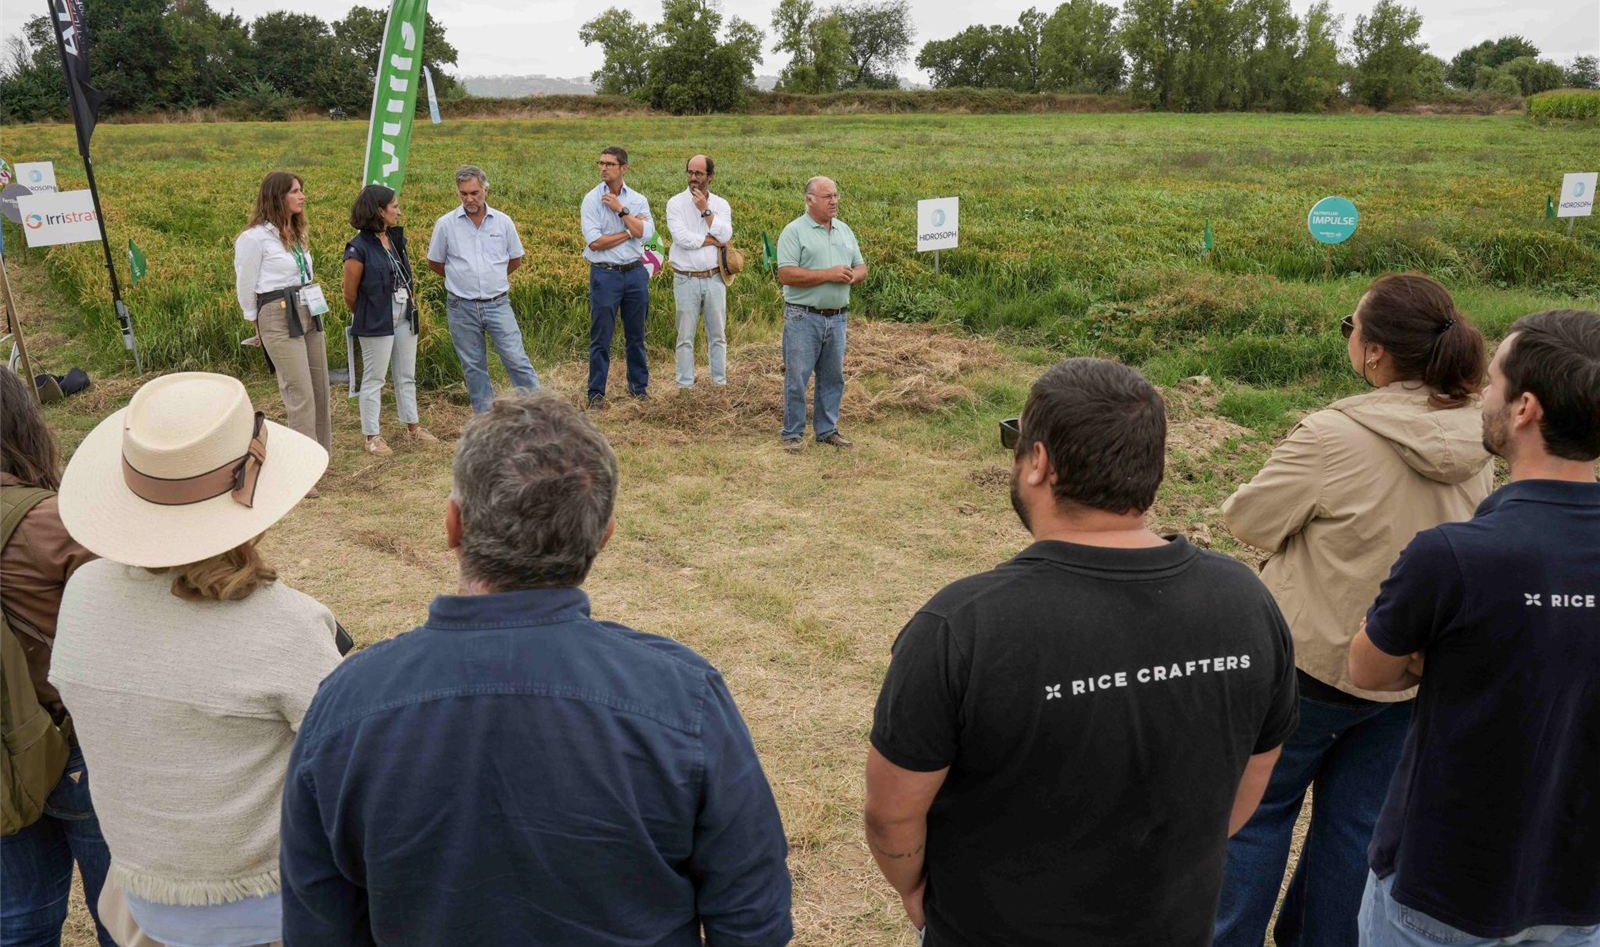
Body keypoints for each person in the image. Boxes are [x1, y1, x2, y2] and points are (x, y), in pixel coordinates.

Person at [281, 392, 792, 947]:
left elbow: (318, 923)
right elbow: (751, 917)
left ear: (453, 524)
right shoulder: (683, 698)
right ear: (604, 535)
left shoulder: (345, 704)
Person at [866, 357, 1299, 947]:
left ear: (1038, 462)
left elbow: (893, 814)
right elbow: (1255, 772)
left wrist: (914, 889)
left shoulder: (961, 626)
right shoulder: (1246, 599)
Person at [1215, 273, 1494, 947]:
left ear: (1373, 353)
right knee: (1355, 828)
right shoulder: (1478, 435)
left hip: (1307, 664)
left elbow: (1246, 519)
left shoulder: (1334, 434)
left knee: (1256, 815)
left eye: (1352, 325)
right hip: (1409, 670)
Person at [48, 372, 343, 947]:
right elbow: (350, 769)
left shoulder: (83, 594)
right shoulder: (288, 624)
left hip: (148, 901)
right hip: (271, 910)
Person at [1350, 309, 1600, 947]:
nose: (1482, 396)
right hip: (1580, 894)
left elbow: (1368, 668)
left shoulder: (1453, 556)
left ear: (1524, 410)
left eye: (1491, 382)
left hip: (1443, 889)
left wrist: (1430, 655)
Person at [0, 366, 114, 947]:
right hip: (74, 744)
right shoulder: (50, 521)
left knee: (18, 920)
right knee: (121, 913)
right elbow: (125, 622)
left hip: (1, 759)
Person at [234, 170, 331, 495]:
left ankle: (319, 460)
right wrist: (255, 322)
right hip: (276, 313)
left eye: (302, 190)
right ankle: (301, 473)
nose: (302, 196)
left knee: (320, 387)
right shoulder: (254, 238)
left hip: (307, 308)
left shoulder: (295, 233)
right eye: (295, 191)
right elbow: (246, 284)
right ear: (277, 197)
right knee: (299, 391)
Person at [427, 164, 541, 415]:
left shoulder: (503, 222)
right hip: (461, 306)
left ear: (486, 190)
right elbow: (435, 262)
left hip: (498, 303)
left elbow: (516, 259)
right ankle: (486, 419)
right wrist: (461, 280)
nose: (469, 199)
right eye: (464, 194)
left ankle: (539, 413)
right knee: (473, 366)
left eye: (474, 193)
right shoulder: (445, 224)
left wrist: (492, 279)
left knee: (516, 359)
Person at [342, 184, 438, 455]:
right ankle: (372, 436)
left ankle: (413, 427)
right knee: (374, 379)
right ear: (379, 210)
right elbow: (350, 294)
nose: (398, 211)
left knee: (406, 375)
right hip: (376, 320)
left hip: (404, 314)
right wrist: (368, 314)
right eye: (394, 206)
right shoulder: (358, 248)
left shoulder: (395, 239)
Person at [776, 176, 866, 453]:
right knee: (798, 377)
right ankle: (792, 433)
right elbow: (786, 274)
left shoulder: (844, 230)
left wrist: (852, 277)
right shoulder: (793, 232)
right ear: (810, 200)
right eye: (827, 196)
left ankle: (827, 431)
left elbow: (862, 267)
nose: (834, 201)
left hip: (838, 317)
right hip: (804, 317)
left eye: (836, 195)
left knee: (832, 377)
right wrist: (828, 274)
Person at [580, 146, 654, 407]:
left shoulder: (636, 199)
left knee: (636, 337)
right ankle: (596, 394)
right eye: (601, 163)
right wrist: (629, 229)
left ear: (624, 168)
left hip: (635, 272)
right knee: (601, 337)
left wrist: (622, 211)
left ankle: (638, 390)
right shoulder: (591, 199)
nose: (603, 168)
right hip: (605, 275)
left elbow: (646, 234)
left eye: (610, 164)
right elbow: (596, 243)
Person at [664, 154, 732, 390]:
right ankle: (685, 387)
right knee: (685, 338)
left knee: (718, 336)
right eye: (690, 173)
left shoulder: (721, 205)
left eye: (698, 173)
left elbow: (725, 236)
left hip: (715, 278)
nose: (693, 178)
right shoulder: (675, 203)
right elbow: (681, 239)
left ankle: (718, 385)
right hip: (686, 278)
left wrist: (705, 210)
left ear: (710, 177)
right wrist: (711, 241)